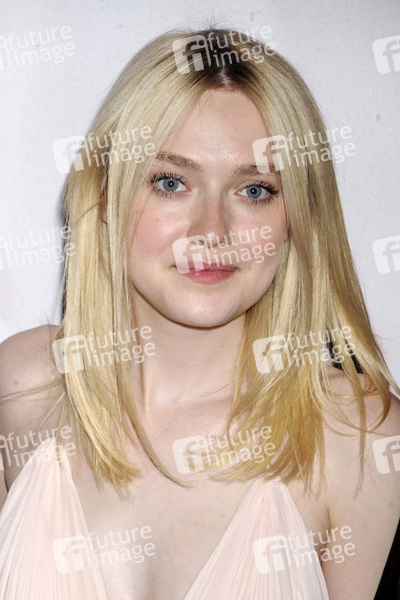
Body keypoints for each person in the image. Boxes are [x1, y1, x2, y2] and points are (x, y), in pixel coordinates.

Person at [0, 27, 399, 600]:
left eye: (254, 190)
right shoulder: (24, 388)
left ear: (297, 215)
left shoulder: (357, 437)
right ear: (106, 195)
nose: (211, 232)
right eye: (171, 182)